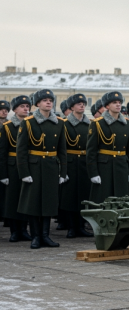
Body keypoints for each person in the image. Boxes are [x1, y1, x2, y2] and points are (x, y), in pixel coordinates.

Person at [16, 89, 67, 249]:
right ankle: (36, 236)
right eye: (44, 100)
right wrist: (24, 172)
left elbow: (62, 150)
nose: (48, 102)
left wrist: (63, 172)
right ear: (37, 103)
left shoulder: (59, 123)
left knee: (48, 203)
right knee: (33, 203)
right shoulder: (29, 122)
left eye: (50, 100)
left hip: (51, 166)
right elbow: (21, 150)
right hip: (34, 166)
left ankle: (45, 235)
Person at [86, 91, 129, 205]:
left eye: (119, 102)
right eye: (114, 102)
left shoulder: (127, 124)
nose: (118, 105)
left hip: (121, 166)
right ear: (107, 106)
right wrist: (93, 173)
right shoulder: (98, 123)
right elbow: (91, 151)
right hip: (104, 167)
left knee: (121, 200)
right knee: (103, 199)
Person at [59, 93, 93, 238]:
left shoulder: (91, 124)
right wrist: (62, 169)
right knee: (70, 197)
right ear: (71, 107)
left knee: (84, 196)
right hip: (70, 162)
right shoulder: (63, 123)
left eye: (84, 104)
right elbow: (60, 147)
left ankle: (80, 226)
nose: (82, 106)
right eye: (79, 103)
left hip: (85, 163)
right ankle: (71, 227)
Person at [1, 96, 33, 242]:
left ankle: (23, 229)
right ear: (14, 110)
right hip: (12, 165)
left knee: (25, 199)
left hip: (27, 164)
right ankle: (15, 231)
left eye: (27, 106)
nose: (26, 109)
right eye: (22, 106)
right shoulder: (7, 126)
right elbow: (2, 152)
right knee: (13, 199)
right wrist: (3, 174)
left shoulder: (31, 124)